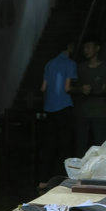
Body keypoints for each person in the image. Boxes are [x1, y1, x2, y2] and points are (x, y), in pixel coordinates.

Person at [40, 43, 76, 177]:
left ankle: (43, 179)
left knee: (49, 144)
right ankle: (61, 177)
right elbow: (67, 88)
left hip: (49, 109)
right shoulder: (70, 63)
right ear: (70, 47)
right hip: (64, 107)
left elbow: (43, 88)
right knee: (64, 145)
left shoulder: (49, 64)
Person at [73, 39, 106, 154]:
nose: (86, 50)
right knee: (81, 145)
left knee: (100, 145)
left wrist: (91, 90)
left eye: (88, 47)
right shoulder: (80, 68)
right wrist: (80, 89)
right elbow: (71, 87)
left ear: (97, 48)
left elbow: (105, 89)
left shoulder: (105, 68)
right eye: (84, 48)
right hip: (82, 112)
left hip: (99, 112)